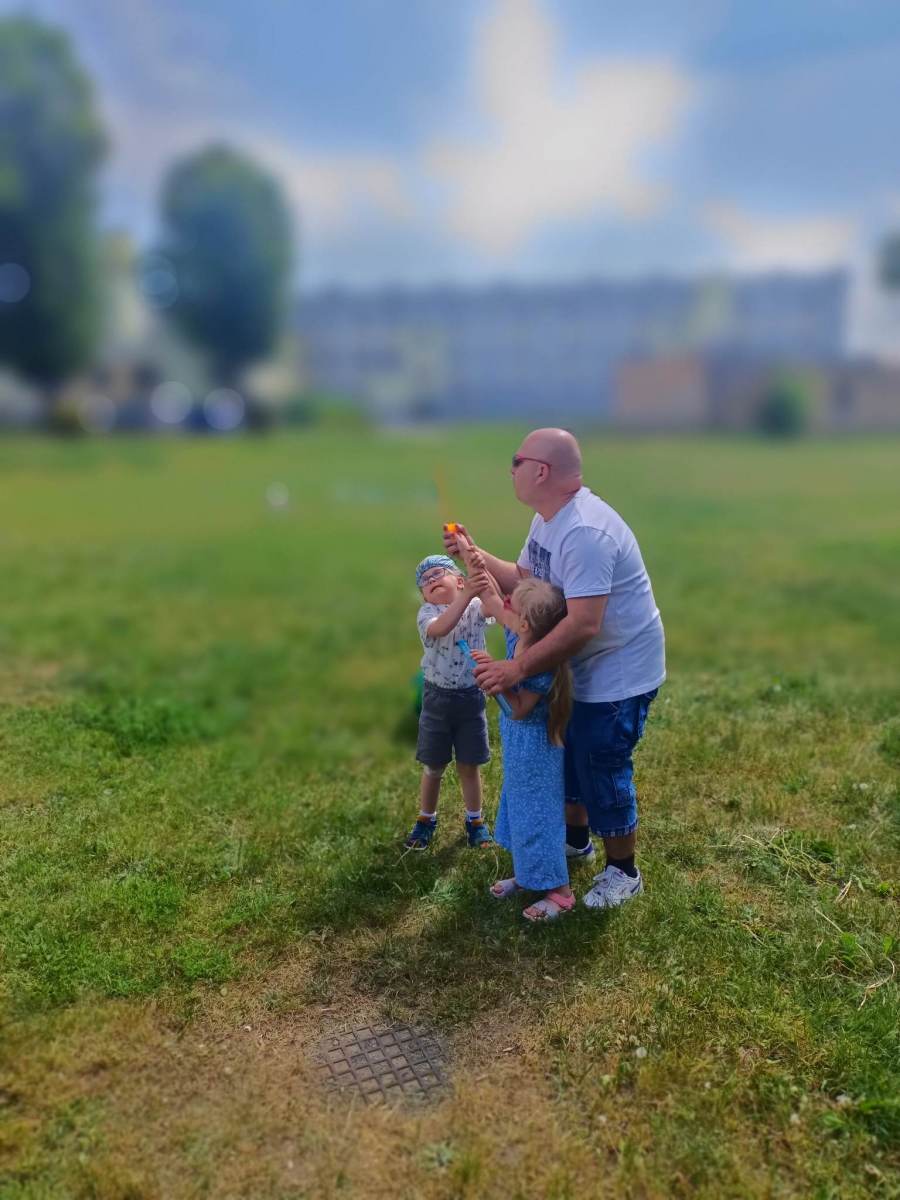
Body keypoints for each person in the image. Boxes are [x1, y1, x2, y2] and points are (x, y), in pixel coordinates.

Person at [443, 428, 665, 908]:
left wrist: (516, 668)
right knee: (568, 756)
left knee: (601, 764)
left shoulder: (585, 533)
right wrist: (473, 555)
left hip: (616, 671)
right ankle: (575, 843)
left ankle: (623, 871)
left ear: (541, 471)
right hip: (576, 666)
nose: (511, 470)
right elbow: (525, 581)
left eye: (516, 461)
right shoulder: (548, 520)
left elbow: (584, 624)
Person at [471, 576, 575, 921]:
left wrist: (493, 679)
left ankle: (560, 893)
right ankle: (529, 875)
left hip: (535, 751)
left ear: (526, 622)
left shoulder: (539, 662)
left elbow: (518, 709)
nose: (504, 605)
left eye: (510, 604)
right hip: (520, 748)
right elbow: (493, 603)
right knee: (519, 807)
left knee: (538, 818)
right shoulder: (520, 636)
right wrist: (475, 564)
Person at [405, 554, 494, 850]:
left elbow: (494, 606)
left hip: (471, 698)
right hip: (437, 700)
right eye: (425, 581)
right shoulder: (427, 613)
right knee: (434, 766)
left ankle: (475, 821)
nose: (431, 580)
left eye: (437, 573)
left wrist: (482, 576)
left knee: (469, 765)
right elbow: (441, 628)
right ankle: (426, 819)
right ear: (423, 595)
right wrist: (467, 594)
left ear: (459, 580)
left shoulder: (476, 606)